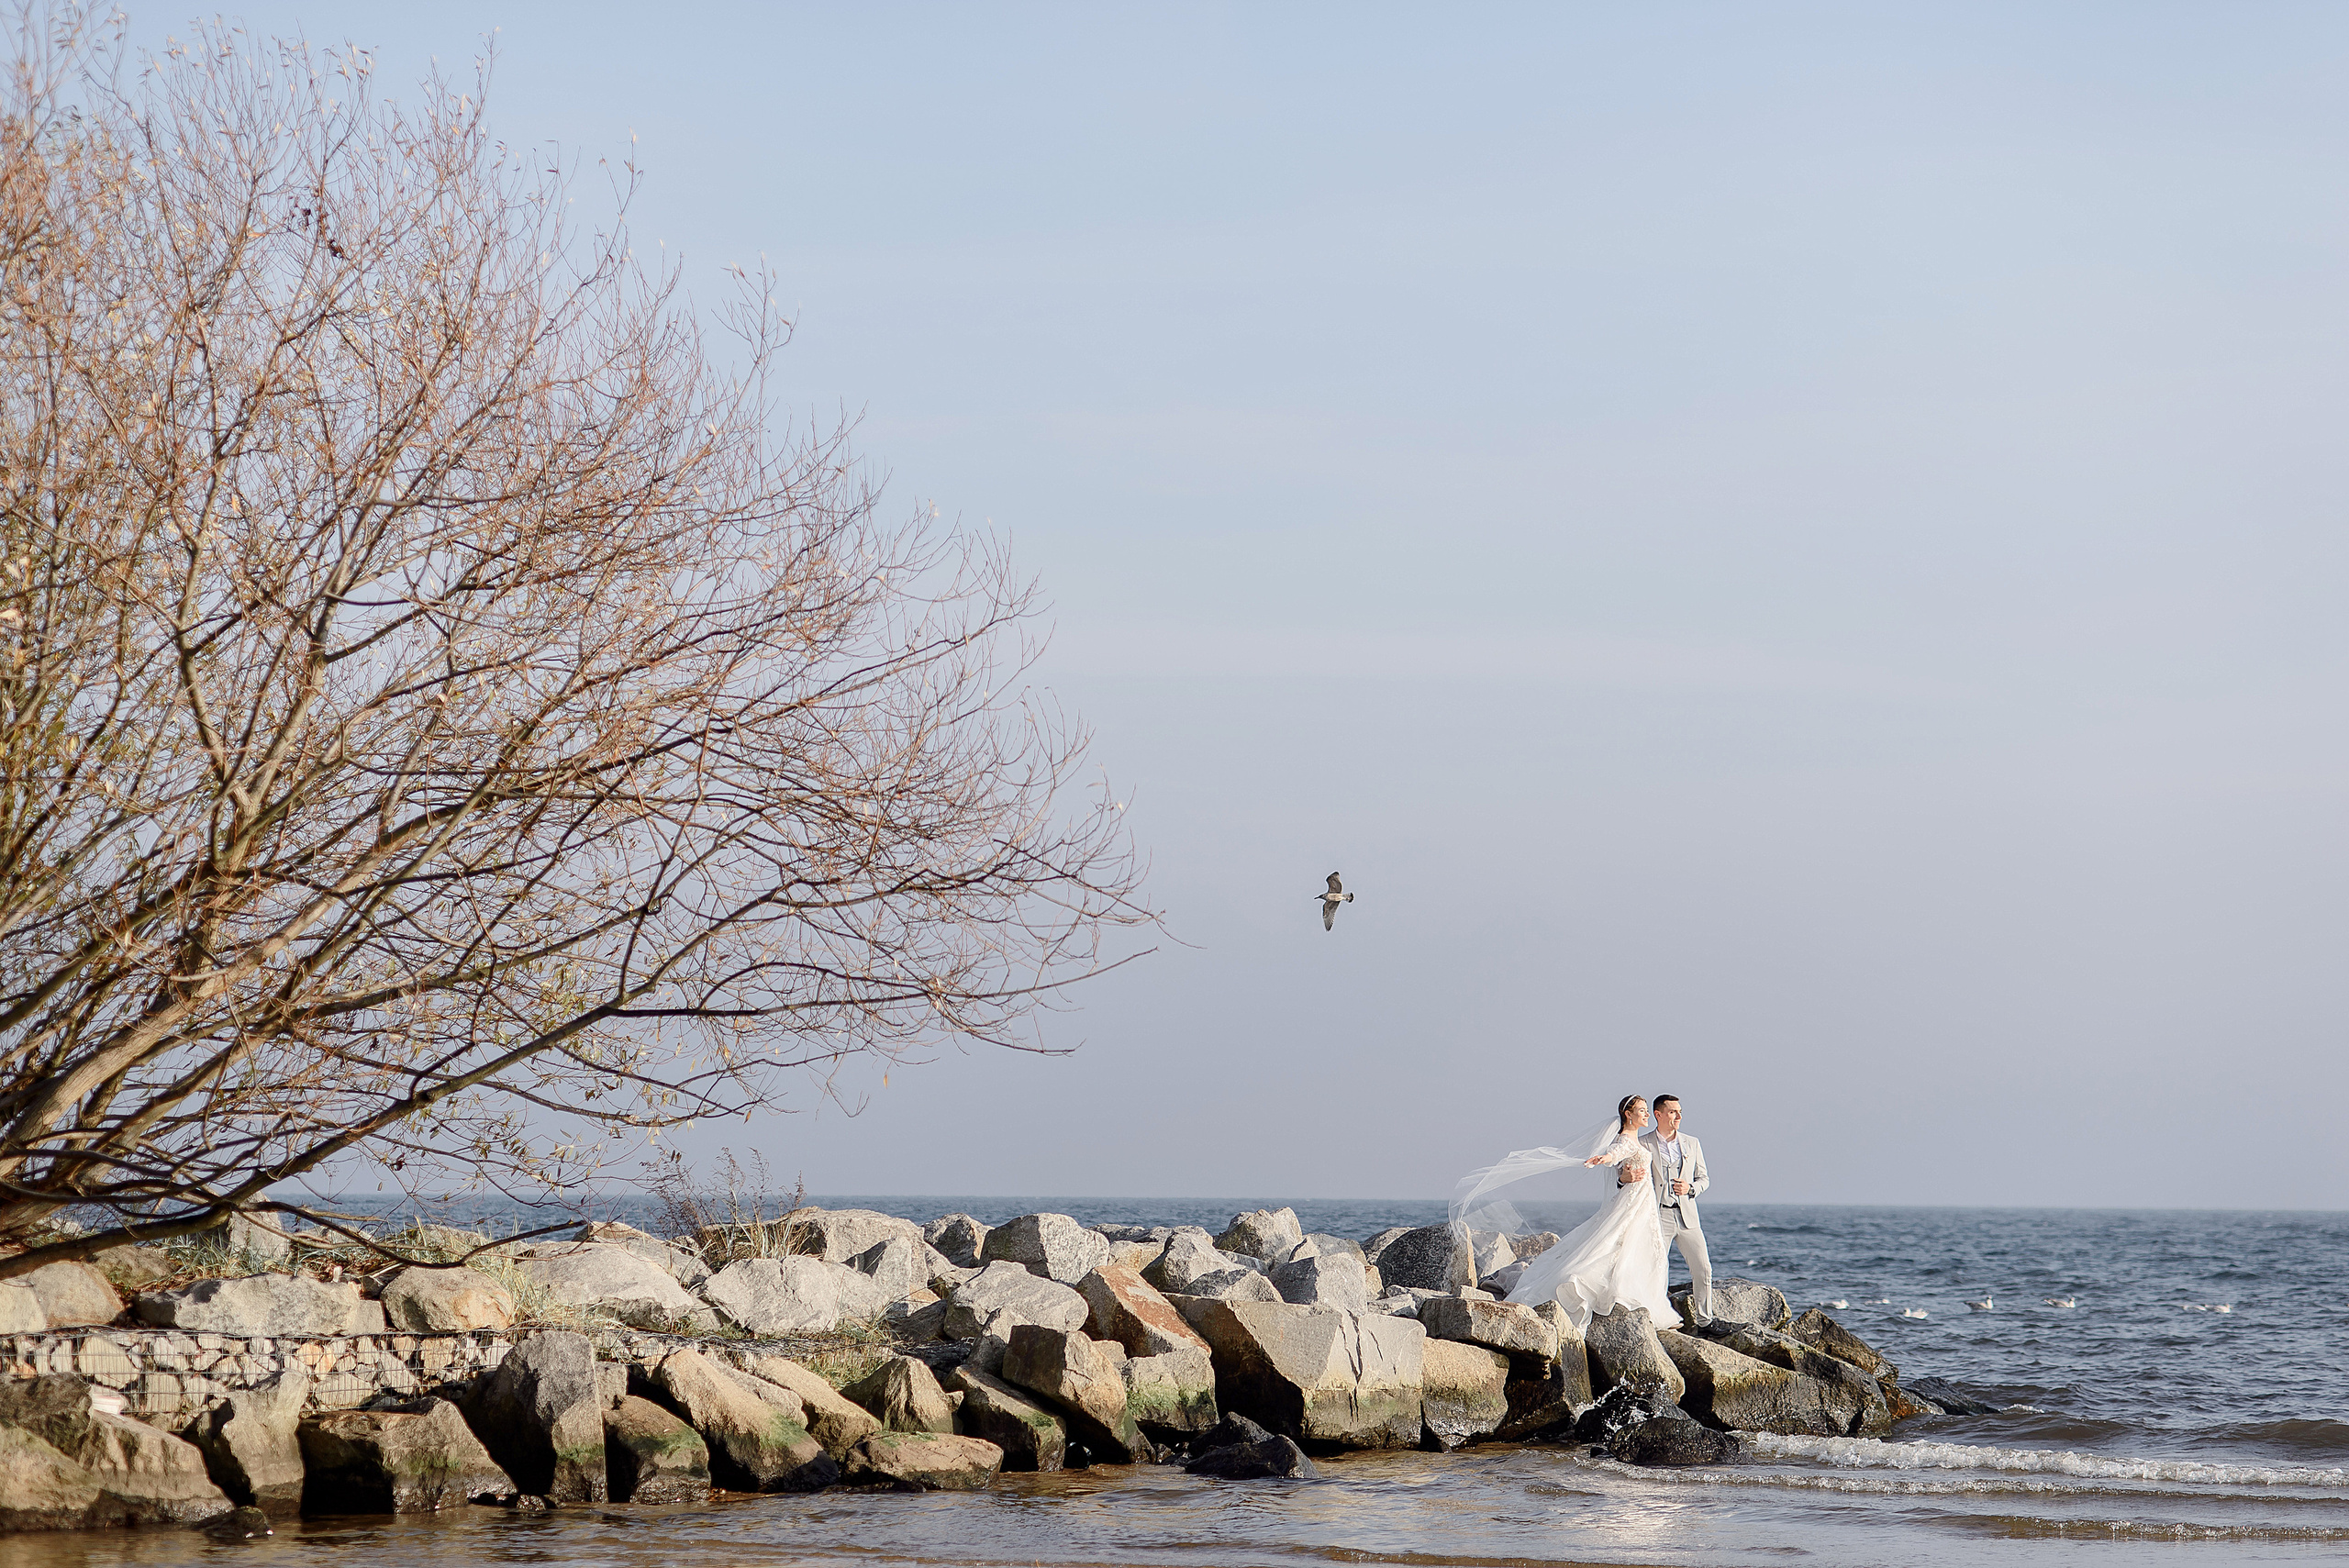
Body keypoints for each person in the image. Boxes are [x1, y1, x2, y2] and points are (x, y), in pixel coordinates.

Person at [1463, 1094, 1675, 1333]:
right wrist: (1604, 1159)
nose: (1647, 1114)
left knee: (1636, 1245)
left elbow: (1622, 1171)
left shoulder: (1635, 1141)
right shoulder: (1625, 1140)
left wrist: (1624, 1175)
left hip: (1641, 1201)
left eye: (1647, 1110)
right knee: (1618, 1244)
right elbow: (1615, 1154)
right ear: (1628, 1114)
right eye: (1642, 1110)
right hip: (1633, 1202)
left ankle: (1647, 1298)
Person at [1640, 1093, 1714, 1329]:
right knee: (1658, 1268)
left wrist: (1690, 1187)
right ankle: (1658, 1318)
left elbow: (1704, 1179)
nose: (1679, 1116)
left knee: (1703, 1268)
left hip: (1688, 1216)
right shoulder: (1643, 1144)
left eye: (1680, 1111)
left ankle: (1705, 1322)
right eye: (1673, 1112)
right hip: (1658, 1214)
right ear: (1658, 1115)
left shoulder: (1692, 1143)